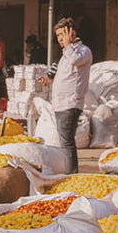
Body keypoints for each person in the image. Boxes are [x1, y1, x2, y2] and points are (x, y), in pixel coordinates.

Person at [39, 17, 93, 174]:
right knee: (65, 142)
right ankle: (69, 173)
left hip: (70, 104)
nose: (60, 39)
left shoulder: (83, 51)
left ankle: (71, 175)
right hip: (61, 104)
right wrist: (50, 80)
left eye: (62, 34)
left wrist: (69, 45)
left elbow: (75, 60)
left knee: (67, 143)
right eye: (57, 36)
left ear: (72, 33)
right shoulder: (66, 54)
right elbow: (66, 76)